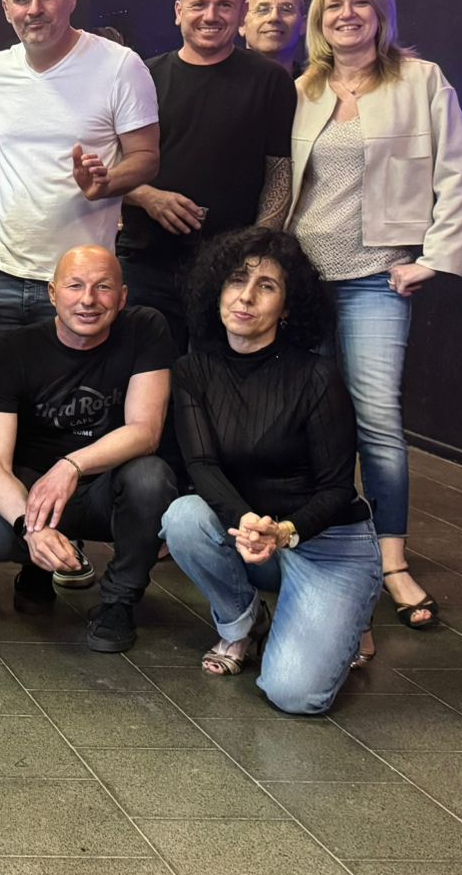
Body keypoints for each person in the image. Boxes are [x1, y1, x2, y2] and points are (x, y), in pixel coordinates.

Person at [0, 0, 161, 571]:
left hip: (78, 286)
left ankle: (69, 527)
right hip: (0, 271)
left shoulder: (119, 67)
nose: (36, 8)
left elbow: (146, 158)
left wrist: (108, 183)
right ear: (5, 7)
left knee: (75, 413)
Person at [289, 0, 462, 633]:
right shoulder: (304, 89)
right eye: (333, 5)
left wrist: (433, 258)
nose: (346, 14)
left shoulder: (420, 81)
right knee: (312, 422)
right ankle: (318, 542)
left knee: (376, 420)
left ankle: (392, 559)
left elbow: (460, 172)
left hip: (377, 278)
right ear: (320, 20)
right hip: (305, 282)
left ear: (380, 14)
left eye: (359, 3)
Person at [162, 227, 382, 711]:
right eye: (236, 280)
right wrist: (248, 523)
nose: (246, 297)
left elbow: (336, 489)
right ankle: (244, 626)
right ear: (216, 290)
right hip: (254, 535)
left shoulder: (317, 376)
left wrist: (283, 532)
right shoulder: (193, 370)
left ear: (287, 306)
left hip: (326, 542)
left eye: (266, 286)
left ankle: (352, 611)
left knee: (294, 694)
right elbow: (202, 464)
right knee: (183, 517)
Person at [0, 246, 178, 653]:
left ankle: (119, 600)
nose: (88, 300)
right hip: (40, 488)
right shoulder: (14, 350)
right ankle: (38, 565)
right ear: (52, 294)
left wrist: (72, 465)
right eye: (75, 286)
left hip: (108, 486)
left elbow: (145, 431)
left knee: (152, 478)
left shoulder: (145, 328)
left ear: (122, 296)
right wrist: (31, 529)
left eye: (103, 287)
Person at [119, 0, 295, 348]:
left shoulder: (270, 80)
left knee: (215, 378)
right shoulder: (142, 77)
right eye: (199, 4)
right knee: (145, 374)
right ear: (178, 11)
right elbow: (110, 169)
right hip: (146, 261)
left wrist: (255, 249)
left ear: (242, 13)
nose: (210, 16)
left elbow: (280, 174)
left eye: (224, 5)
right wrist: (148, 197)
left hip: (229, 272)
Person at [242, 0, 308, 72]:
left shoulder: (318, 81)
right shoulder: (220, 78)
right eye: (263, 10)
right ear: (242, 23)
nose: (274, 17)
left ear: (303, 24)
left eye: (286, 10)